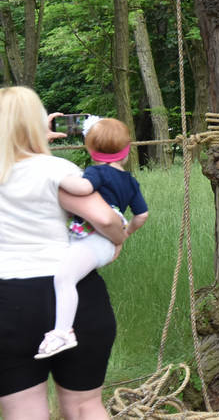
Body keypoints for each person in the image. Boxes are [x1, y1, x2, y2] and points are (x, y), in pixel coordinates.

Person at [0, 86, 128, 420]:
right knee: (85, 406)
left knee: (23, 410)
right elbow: (102, 217)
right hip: (71, 292)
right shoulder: (54, 168)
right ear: (35, 124)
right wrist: (118, 239)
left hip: (9, 300)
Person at [37, 117, 149, 359]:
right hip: (103, 241)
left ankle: (63, 332)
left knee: (64, 277)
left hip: (95, 239)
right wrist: (125, 234)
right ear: (127, 150)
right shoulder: (130, 181)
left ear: (90, 149)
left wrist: (59, 178)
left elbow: (83, 189)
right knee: (70, 275)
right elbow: (142, 215)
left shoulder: (96, 172)